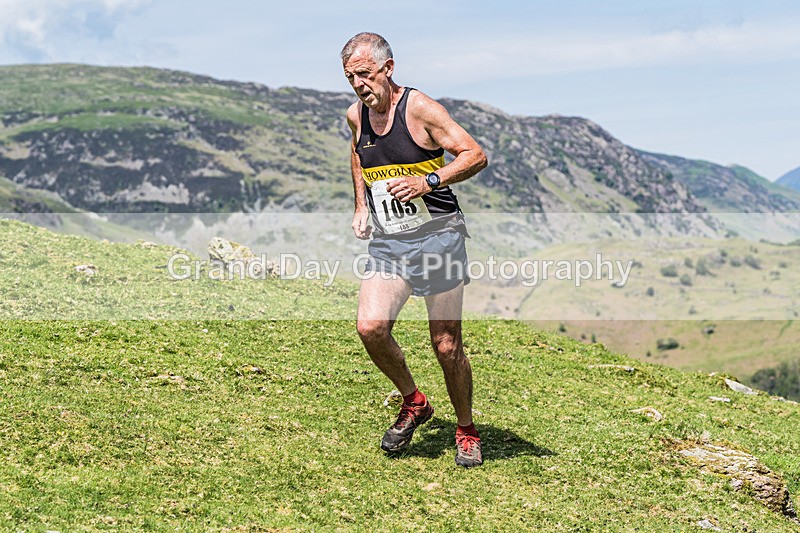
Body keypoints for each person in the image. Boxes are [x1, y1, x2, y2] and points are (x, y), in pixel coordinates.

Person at [340, 32, 488, 467]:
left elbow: (474, 154)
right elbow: (357, 152)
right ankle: (415, 402)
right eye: (350, 77)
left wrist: (429, 182)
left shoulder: (420, 109)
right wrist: (362, 203)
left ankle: (465, 428)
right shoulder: (356, 115)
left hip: (439, 237)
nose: (359, 85)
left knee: (445, 345)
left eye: (365, 75)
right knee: (370, 327)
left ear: (388, 68)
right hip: (390, 242)